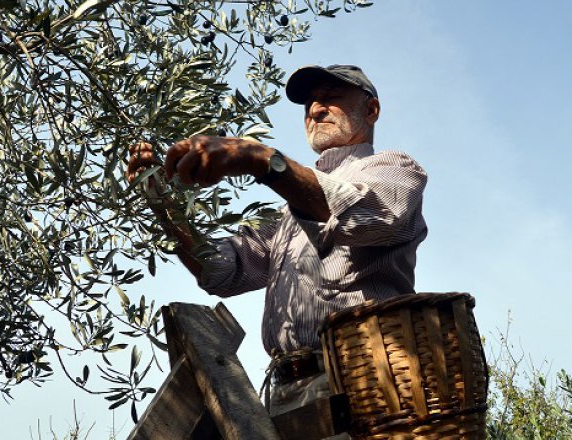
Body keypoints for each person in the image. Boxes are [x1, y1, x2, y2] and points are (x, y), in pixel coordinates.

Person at [127, 64, 428, 421]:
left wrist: (259, 158)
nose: (315, 110)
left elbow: (366, 213)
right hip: (285, 393)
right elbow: (222, 271)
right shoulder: (287, 213)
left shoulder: (393, 168)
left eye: (330, 99)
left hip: (365, 382)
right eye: (309, 105)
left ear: (371, 110)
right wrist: (163, 206)